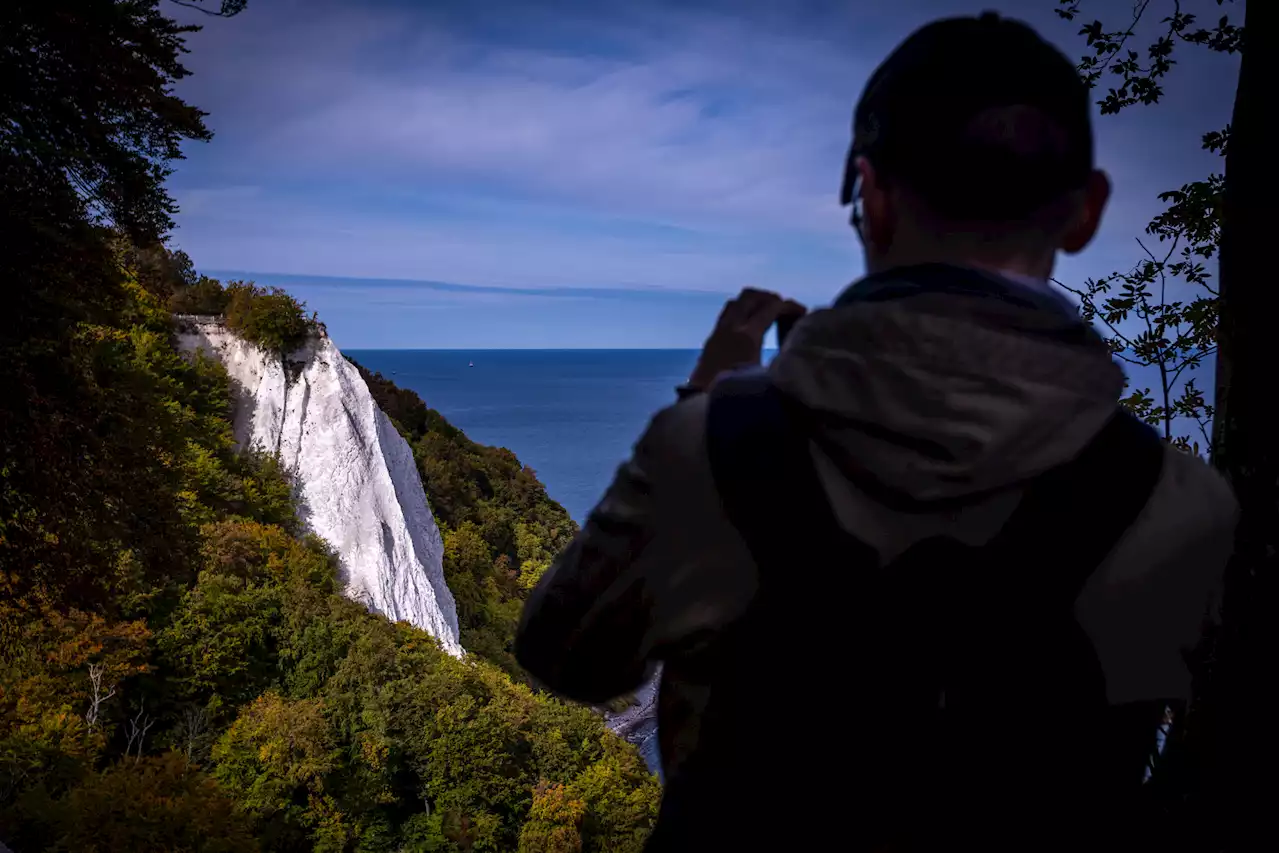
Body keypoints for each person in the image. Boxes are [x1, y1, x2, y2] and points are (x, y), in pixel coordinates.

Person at [515, 11, 1237, 851]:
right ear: (1085, 212)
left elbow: (567, 653)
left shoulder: (714, 448)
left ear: (873, 196)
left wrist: (707, 399)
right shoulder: (1180, 503)